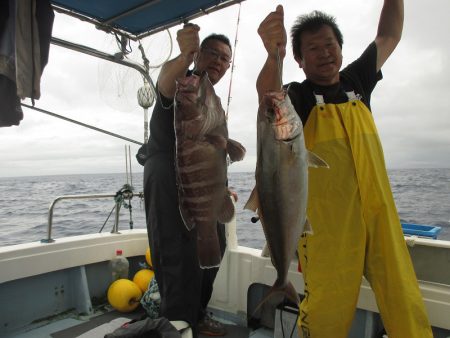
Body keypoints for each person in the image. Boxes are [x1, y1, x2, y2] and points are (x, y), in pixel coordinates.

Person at [257, 2, 433, 338]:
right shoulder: (298, 97)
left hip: (381, 218)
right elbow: (268, 99)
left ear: (340, 48)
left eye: (330, 45)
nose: (324, 53)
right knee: (326, 316)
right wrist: (273, 56)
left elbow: (389, 35)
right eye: (313, 48)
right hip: (328, 230)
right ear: (299, 59)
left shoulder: (358, 80)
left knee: (406, 304)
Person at [139, 24, 233, 337]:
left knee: (212, 250)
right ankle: (176, 325)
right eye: (213, 54)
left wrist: (219, 184)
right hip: (168, 178)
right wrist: (185, 56)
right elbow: (164, 83)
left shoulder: (212, 97)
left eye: (226, 60)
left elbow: (215, 150)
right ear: (200, 54)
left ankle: (198, 315)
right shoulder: (185, 81)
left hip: (205, 187)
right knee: (176, 258)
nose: (219, 62)